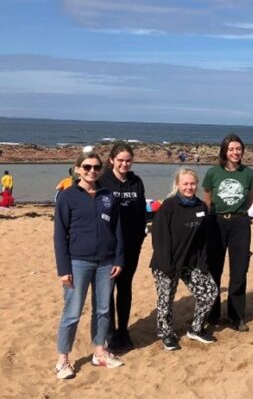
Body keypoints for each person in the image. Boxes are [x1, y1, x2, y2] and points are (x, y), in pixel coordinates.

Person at [53, 151, 124, 380]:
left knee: (103, 309)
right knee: (72, 313)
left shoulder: (108, 196)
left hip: (106, 262)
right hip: (78, 262)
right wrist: (64, 270)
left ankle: (100, 353)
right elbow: (59, 236)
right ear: (77, 169)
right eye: (86, 167)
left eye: (96, 167)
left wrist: (119, 259)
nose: (91, 171)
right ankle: (63, 360)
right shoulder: (67, 197)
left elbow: (117, 230)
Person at [150, 168, 218, 351]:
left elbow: (203, 238)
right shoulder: (169, 206)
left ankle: (196, 329)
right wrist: (167, 264)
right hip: (167, 262)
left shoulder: (201, 207)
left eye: (192, 183)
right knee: (166, 300)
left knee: (210, 292)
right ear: (178, 185)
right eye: (185, 183)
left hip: (191, 262)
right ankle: (166, 334)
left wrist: (203, 263)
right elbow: (159, 236)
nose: (189, 187)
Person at [202, 134, 253, 331]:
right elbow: (207, 200)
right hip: (216, 222)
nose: (235, 152)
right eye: (231, 149)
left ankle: (236, 316)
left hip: (240, 223)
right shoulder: (213, 172)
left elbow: (250, 201)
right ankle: (213, 313)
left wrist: (237, 213)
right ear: (224, 151)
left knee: (239, 270)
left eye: (238, 149)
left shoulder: (249, 174)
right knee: (214, 269)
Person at [98, 142, 147, 351]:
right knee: (107, 290)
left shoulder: (136, 182)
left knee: (125, 288)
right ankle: (109, 333)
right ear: (112, 160)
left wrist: (140, 237)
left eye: (128, 160)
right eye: (120, 160)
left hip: (131, 245)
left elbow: (141, 212)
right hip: (108, 247)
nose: (124, 164)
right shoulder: (102, 181)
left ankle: (123, 331)